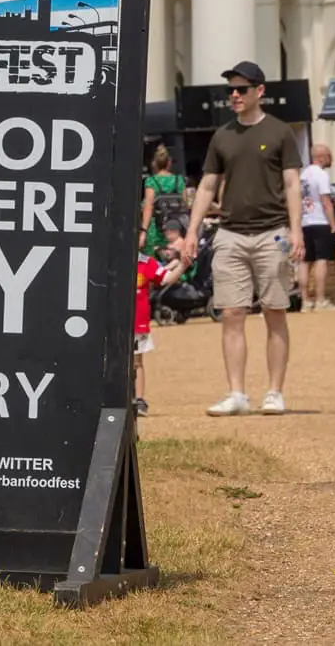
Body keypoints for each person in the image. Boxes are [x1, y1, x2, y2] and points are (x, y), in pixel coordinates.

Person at [181, 60, 304, 417]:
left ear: (259, 92)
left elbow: (293, 183)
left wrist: (296, 231)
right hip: (230, 233)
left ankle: (274, 392)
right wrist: (191, 231)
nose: (234, 95)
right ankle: (236, 393)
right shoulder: (222, 136)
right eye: (230, 90)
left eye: (241, 89)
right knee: (231, 313)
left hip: (273, 232)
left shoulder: (280, 132)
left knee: (275, 311)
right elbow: (207, 186)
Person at [134, 251, 184, 416]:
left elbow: (166, 278)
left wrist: (183, 264)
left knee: (136, 362)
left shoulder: (145, 262)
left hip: (137, 323)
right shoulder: (109, 259)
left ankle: (139, 399)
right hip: (112, 322)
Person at [299, 144, 335, 309]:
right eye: (329, 156)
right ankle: (320, 300)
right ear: (322, 157)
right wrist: (333, 224)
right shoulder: (321, 175)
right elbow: (325, 201)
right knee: (321, 259)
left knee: (304, 261)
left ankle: (305, 300)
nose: (331, 159)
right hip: (320, 220)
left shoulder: (303, 174)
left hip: (304, 220)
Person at [141, 145, 185, 257]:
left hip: (155, 230)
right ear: (168, 163)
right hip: (174, 229)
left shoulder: (152, 181)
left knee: (153, 264)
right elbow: (185, 205)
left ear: (154, 163)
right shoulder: (179, 180)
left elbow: (148, 206)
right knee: (173, 260)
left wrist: (143, 231)